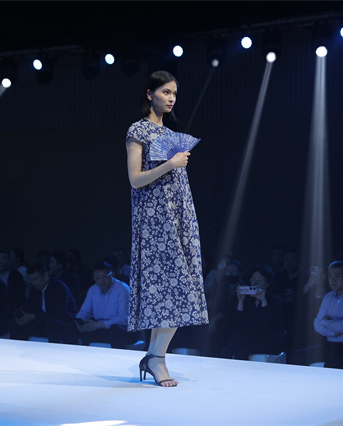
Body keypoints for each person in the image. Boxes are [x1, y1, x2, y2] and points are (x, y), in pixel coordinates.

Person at [125, 70, 208, 387]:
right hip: (154, 220)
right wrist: (170, 164)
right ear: (150, 94)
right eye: (165, 92)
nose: (171, 98)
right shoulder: (138, 130)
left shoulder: (172, 133)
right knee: (167, 288)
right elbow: (135, 179)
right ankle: (156, 359)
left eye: (174, 93)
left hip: (180, 214)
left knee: (180, 287)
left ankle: (154, 356)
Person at [221, 265, 285, 360]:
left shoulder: (275, 301)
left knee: (240, 336)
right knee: (241, 348)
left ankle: (223, 358)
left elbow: (267, 325)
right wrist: (240, 301)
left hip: (269, 340)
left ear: (267, 284)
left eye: (259, 280)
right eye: (253, 280)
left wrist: (263, 301)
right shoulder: (248, 300)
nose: (255, 283)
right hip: (249, 340)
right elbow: (238, 323)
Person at [12, 262, 78, 343]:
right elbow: (29, 305)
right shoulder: (35, 288)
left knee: (52, 323)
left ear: (45, 276)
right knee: (15, 322)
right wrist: (21, 315)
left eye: (36, 279)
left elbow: (59, 313)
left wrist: (34, 316)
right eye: (31, 280)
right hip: (44, 320)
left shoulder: (60, 287)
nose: (34, 283)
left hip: (64, 322)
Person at [76, 261, 135, 348]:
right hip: (100, 327)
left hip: (122, 328)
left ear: (112, 275)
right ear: (94, 278)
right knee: (74, 327)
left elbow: (123, 319)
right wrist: (79, 322)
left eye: (105, 276)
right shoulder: (93, 289)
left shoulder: (123, 289)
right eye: (98, 278)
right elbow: (85, 312)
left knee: (116, 330)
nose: (102, 280)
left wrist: (98, 325)